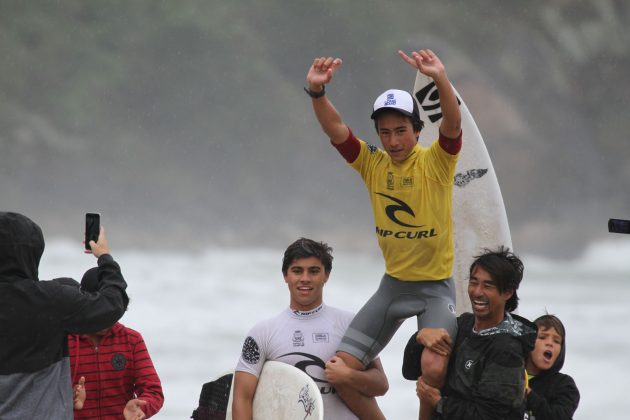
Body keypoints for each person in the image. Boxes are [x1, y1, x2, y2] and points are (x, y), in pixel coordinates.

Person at [305, 49, 462, 419]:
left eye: (401, 131)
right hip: (392, 287)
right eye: (386, 132)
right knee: (338, 372)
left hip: (436, 289)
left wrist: (440, 77)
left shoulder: (436, 162)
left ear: (417, 131)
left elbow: (453, 126)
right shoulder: (373, 164)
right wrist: (317, 92)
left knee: (434, 368)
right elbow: (336, 130)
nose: (393, 141)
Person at [232, 238, 389, 420]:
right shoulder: (262, 333)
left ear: (326, 275)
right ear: (286, 276)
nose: (305, 279)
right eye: (297, 271)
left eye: (314, 271)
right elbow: (242, 398)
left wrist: (349, 375)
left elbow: (381, 385)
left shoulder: (351, 324)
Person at [0, 211, 129, 419]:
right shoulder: (50, 301)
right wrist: (105, 257)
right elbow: (112, 304)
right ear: (31, 253)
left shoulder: (52, 298)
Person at [402, 247, 537, 420]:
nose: (477, 292)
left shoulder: (507, 349)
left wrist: (439, 402)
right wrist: (420, 337)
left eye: (488, 285)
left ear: (508, 292)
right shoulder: (464, 324)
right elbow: (410, 372)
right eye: (473, 282)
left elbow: (492, 415)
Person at [68, 267, 164, 419]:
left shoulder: (132, 340)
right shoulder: (64, 340)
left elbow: (153, 390)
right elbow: (43, 393)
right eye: (99, 312)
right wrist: (69, 397)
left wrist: (142, 407)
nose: (105, 318)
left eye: (111, 312)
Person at [524, 314, 580, 420]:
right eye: (542, 337)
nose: (550, 343)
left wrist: (528, 394)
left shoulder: (564, 385)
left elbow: (560, 416)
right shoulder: (509, 375)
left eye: (556, 341)